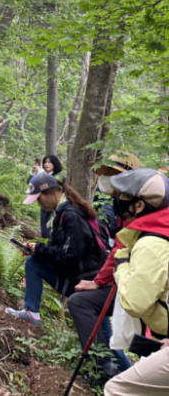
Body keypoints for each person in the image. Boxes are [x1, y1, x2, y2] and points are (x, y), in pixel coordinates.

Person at [68, 152, 141, 381]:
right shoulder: (119, 204)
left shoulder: (136, 205)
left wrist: (99, 281)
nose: (105, 178)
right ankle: (112, 368)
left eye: (111, 173)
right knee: (90, 309)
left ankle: (109, 368)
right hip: (124, 276)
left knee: (82, 304)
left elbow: (121, 246)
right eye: (104, 173)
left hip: (140, 281)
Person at [5, 173, 106, 327]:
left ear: (51, 193)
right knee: (33, 262)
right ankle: (32, 312)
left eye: (39, 198)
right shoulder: (61, 214)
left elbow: (70, 256)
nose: (38, 204)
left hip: (85, 285)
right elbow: (60, 250)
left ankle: (32, 312)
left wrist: (40, 249)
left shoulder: (71, 216)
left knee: (104, 342)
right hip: (77, 279)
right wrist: (37, 250)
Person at [103, 167, 169, 395]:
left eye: (123, 196)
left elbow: (134, 302)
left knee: (117, 389)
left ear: (139, 205)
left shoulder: (152, 243)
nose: (118, 202)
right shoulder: (163, 233)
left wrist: (122, 263)